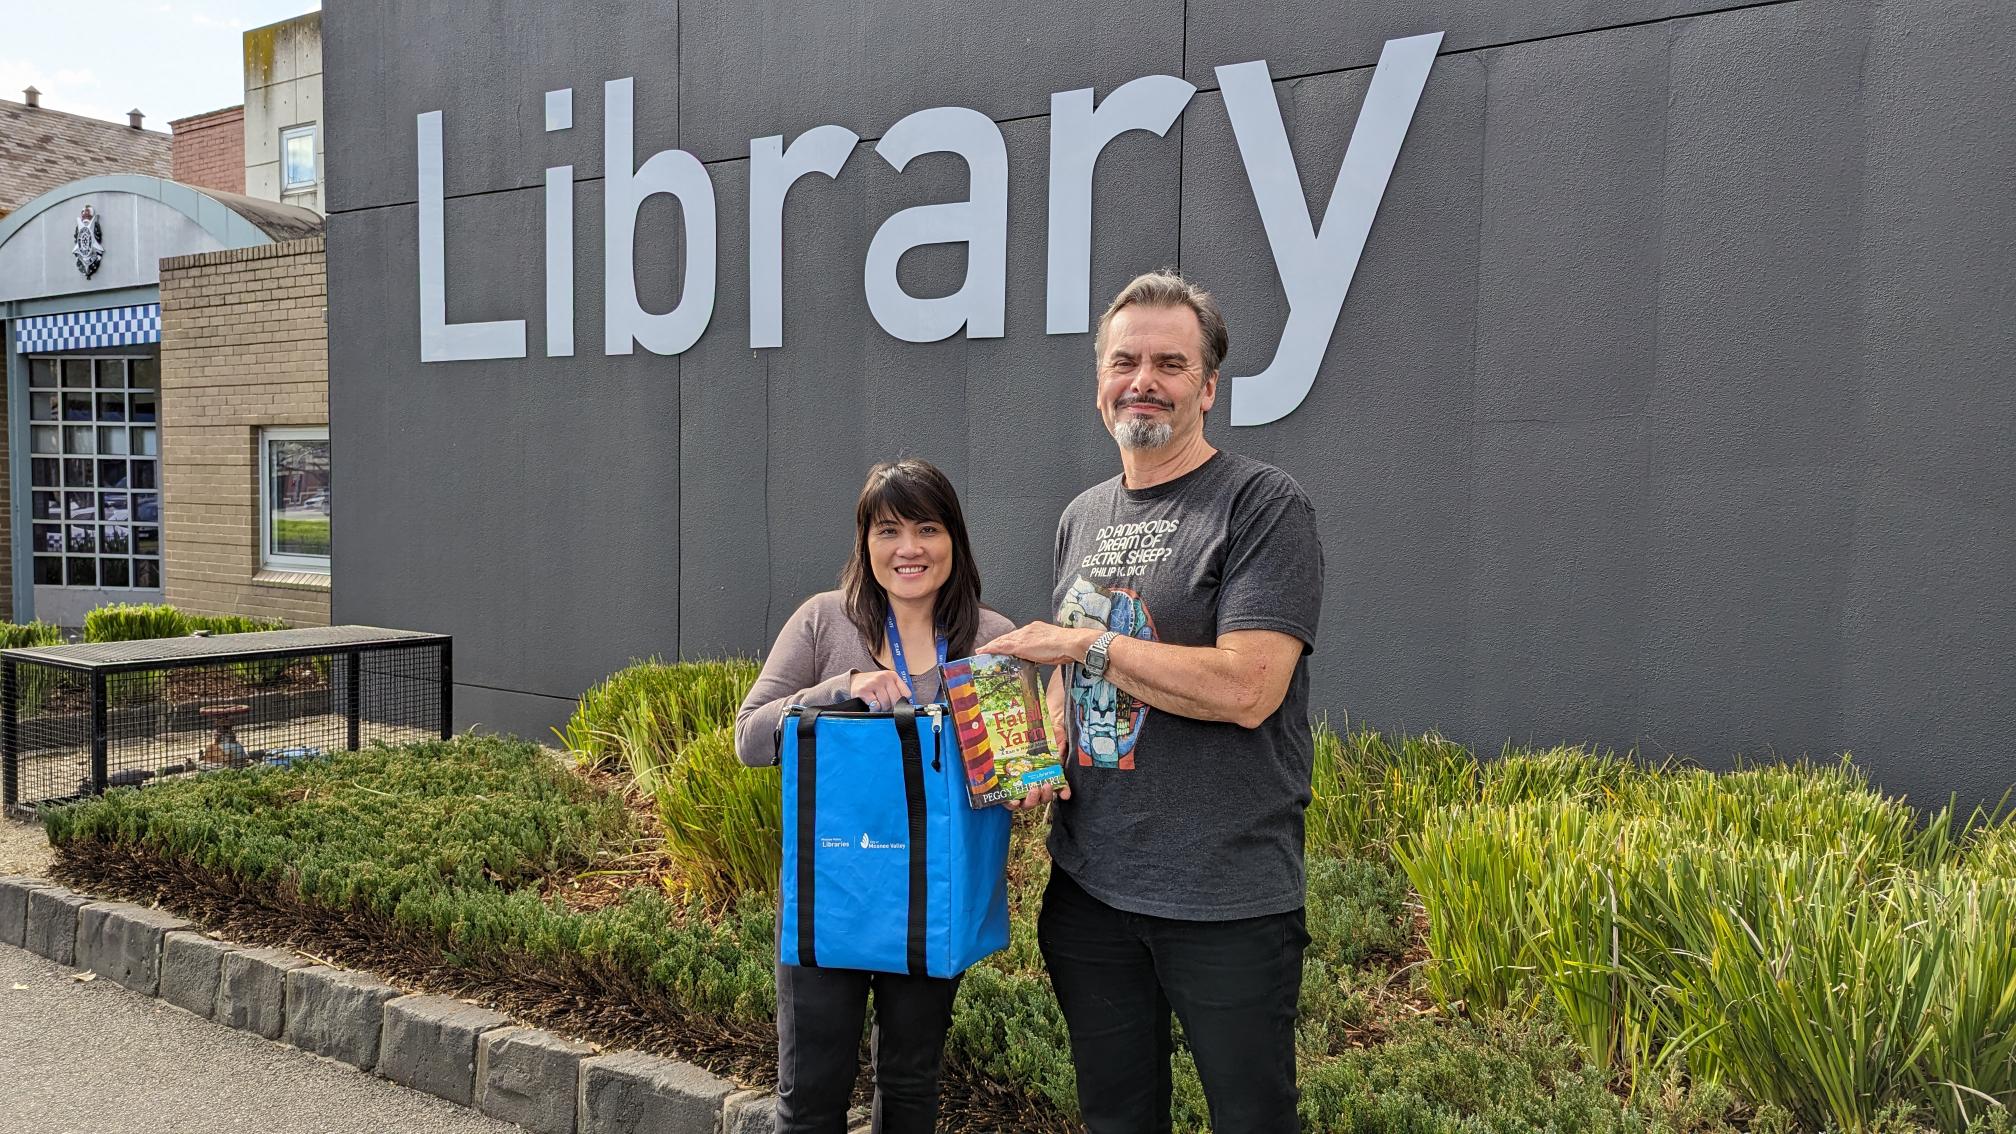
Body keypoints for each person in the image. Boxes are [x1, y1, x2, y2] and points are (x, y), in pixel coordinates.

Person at [981, 271, 1325, 1133]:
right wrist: (1037, 759)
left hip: (1225, 901)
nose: (1144, 380)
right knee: (1116, 1119)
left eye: (1170, 362)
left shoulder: (1261, 504)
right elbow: (1076, 674)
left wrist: (1085, 645)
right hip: (1090, 892)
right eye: (1124, 360)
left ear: (1208, 387)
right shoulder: (1081, 516)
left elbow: (1250, 689)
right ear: (1100, 383)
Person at [735, 457, 1017, 1134]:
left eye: (927, 527)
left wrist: (1032, 763)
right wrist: (839, 689)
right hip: (833, 894)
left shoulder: (991, 639)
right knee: (809, 1099)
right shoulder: (824, 622)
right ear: (865, 542)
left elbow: (1010, 778)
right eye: (889, 530)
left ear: (955, 539)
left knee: (912, 1089)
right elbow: (750, 739)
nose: (909, 548)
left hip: (930, 898)